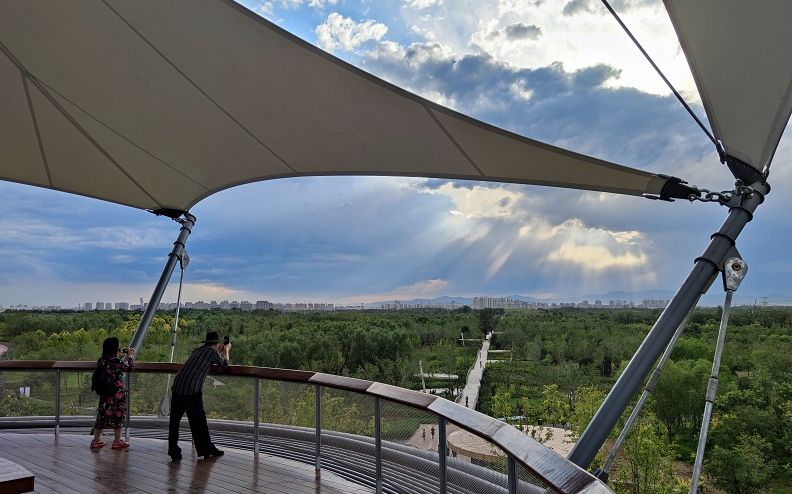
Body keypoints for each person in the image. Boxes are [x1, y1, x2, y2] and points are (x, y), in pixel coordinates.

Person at [167, 331, 230, 461]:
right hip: (191, 390)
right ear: (217, 344)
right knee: (199, 422)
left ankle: (174, 451)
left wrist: (220, 352)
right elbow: (224, 365)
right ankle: (207, 449)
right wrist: (227, 350)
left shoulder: (197, 350)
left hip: (178, 386)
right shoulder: (212, 353)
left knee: (174, 422)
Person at [91, 337, 135, 450]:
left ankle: (95, 440)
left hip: (105, 393)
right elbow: (129, 368)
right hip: (117, 394)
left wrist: (120, 358)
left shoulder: (101, 360)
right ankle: (117, 441)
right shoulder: (116, 361)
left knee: (102, 415)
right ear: (114, 349)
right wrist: (129, 356)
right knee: (118, 415)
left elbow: (113, 367)